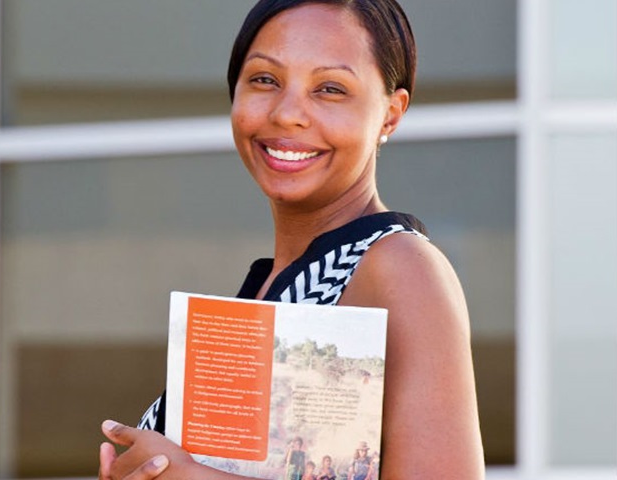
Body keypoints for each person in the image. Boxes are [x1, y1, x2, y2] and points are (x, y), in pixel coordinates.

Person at [97, 0, 485, 479]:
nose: (287, 114)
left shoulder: (400, 268)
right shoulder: (267, 293)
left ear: (390, 113)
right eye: (264, 80)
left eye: (330, 89)